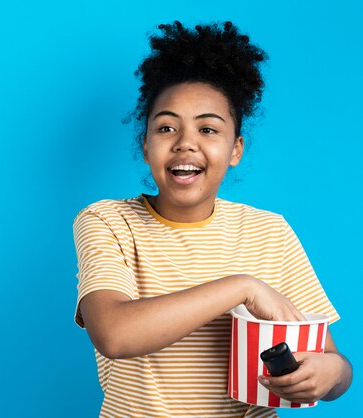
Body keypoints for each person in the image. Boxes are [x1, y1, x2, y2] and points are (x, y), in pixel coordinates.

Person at [72, 21, 352, 417]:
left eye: (208, 129)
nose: (186, 142)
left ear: (235, 148)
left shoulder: (269, 231)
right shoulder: (108, 221)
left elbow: (332, 363)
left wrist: (332, 372)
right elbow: (115, 335)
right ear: (146, 146)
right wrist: (242, 287)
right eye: (166, 127)